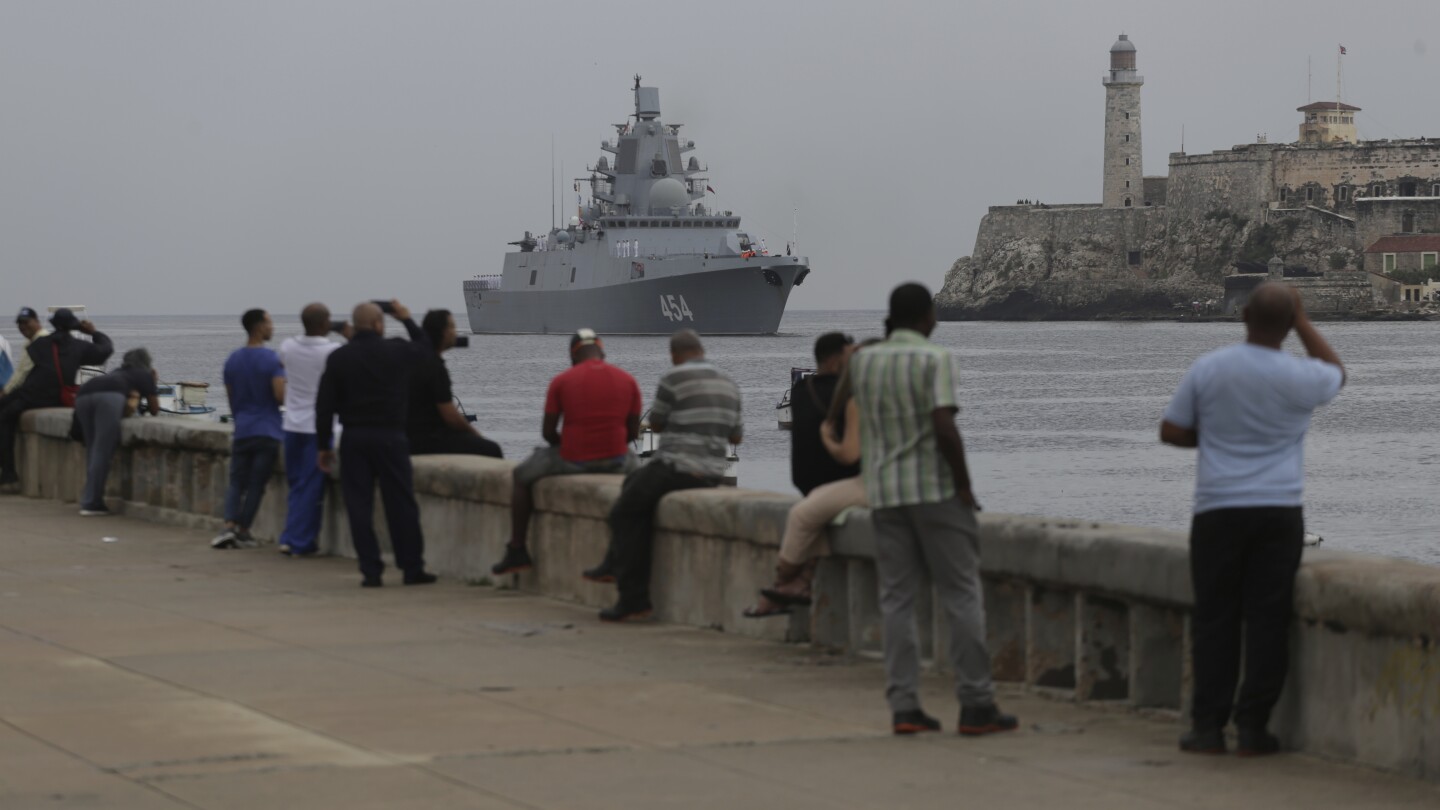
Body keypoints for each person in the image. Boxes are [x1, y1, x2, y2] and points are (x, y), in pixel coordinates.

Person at [1161, 283, 1344, 757]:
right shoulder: (1300, 375)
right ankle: (1252, 727)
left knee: (1215, 618)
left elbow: (1172, 430)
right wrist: (1302, 321)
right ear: (1287, 325)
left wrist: (1219, 445)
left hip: (1218, 508)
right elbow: (1336, 374)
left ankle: (1206, 728)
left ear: (1243, 316)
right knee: (1267, 619)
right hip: (1278, 511)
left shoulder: (1210, 368)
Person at [851, 283, 1016, 737]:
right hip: (934, 492)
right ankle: (976, 704)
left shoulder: (864, 362)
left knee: (897, 602)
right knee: (961, 595)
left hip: (885, 493)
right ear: (925, 316)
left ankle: (904, 706)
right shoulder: (935, 359)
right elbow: (944, 427)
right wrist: (964, 485)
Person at [583, 329, 742, 622]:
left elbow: (655, 425)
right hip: (712, 472)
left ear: (675, 355)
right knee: (632, 484)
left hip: (677, 467)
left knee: (622, 512)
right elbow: (737, 435)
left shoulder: (673, 378)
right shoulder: (729, 383)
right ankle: (610, 563)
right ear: (701, 351)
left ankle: (633, 598)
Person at [491, 328, 642, 576]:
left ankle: (517, 548)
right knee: (639, 479)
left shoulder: (562, 381)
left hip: (574, 458)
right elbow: (633, 434)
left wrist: (569, 443)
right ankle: (618, 553)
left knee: (520, 475)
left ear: (573, 355)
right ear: (602, 351)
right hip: (617, 459)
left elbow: (548, 432)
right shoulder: (628, 380)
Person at [315, 301, 438, 588]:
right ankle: (411, 567)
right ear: (380, 324)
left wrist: (324, 445)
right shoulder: (396, 350)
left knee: (359, 506)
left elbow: (324, 407)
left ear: (354, 326)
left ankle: (371, 570)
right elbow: (425, 350)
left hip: (354, 438)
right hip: (391, 437)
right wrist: (407, 319)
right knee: (401, 504)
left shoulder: (339, 358)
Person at [746, 333, 865, 618]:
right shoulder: (848, 394)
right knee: (807, 518)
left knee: (807, 516)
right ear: (837, 358)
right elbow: (850, 454)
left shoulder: (801, 392)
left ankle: (784, 585)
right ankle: (791, 584)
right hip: (843, 478)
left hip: (810, 481)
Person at [0, 308, 113, 493]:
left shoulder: (40, 344)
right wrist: (92, 332)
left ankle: (9, 474)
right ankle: (7, 475)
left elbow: (28, 367)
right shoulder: (78, 346)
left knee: (5, 416)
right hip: (56, 398)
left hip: (32, 395)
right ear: (74, 325)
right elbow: (106, 350)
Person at [275, 304, 348, 557]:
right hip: (319, 426)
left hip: (292, 424)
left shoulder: (287, 347)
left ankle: (290, 536)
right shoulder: (332, 351)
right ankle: (300, 541)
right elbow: (356, 356)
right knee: (311, 486)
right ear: (326, 322)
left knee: (296, 484)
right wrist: (347, 332)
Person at [211, 309, 285, 549]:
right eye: (270, 322)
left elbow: (232, 398)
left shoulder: (233, 359)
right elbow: (279, 396)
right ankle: (244, 531)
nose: (272, 327)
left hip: (243, 428)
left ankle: (228, 526)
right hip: (268, 431)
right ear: (259, 327)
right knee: (256, 484)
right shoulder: (273, 360)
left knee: (236, 481)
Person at [74, 348, 161, 516]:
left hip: (84, 394)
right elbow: (155, 409)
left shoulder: (118, 372)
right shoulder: (144, 374)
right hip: (109, 397)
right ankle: (91, 504)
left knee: (92, 450)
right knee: (103, 451)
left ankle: (89, 498)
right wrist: (153, 382)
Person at [406, 309, 503, 458]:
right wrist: (475, 434)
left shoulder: (416, 360)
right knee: (492, 449)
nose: (455, 332)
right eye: (451, 327)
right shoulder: (435, 367)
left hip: (410, 436)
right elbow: (450, 416)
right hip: (429, 440)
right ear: (442, 332)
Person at [2, 307, 47, 397]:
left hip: (38, 392)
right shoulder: (28, 342)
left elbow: (22, 374)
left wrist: (4, 392)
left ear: (37, 321)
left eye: (26, 322)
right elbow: (19, 372)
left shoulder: (43, 340)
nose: (22, 326)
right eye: (20, 323)